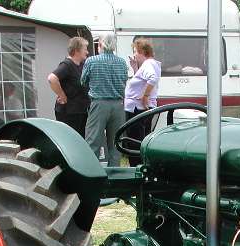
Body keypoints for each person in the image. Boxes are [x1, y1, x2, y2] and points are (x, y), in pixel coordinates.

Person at [80, 33, 128, 167]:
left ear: (100, 45)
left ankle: (92, 172)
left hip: (99, 104)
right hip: (118, 104)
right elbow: (124, 81)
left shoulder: (91, 61)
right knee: (115, 143)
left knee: (93, 141)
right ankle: (114, 174)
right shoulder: (122, 62)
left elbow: (83, 81)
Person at [124, 38, 161, 167]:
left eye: (135, 51)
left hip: (137, 108)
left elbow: (152, 78)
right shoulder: (151, 64)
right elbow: (144, 81)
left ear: (141, 52)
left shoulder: (148, 64)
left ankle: (136, 168)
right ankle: (142, 166)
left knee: (134, 141)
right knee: (142, 139)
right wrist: (135, 68)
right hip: (144, 108)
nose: (134, 54)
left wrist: (145, 95)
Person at [47, 37, 90, 137]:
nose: (87, 52)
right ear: (76, 50)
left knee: (81, 139)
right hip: (69, 112)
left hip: (81, 111)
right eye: (85, 49)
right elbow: (52, 78)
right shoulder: (67, 65)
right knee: (70, 139)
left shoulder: (82, 64)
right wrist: (62, 95)